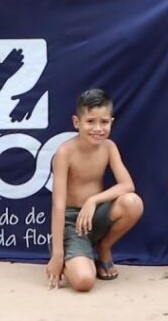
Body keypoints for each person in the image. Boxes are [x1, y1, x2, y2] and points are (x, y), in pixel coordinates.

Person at [46, 89, 144, 291]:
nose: (98, 128)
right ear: (76, 122)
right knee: (84, 282)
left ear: (111, 122)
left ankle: (103, 247)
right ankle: (76, 255)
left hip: (95, 214)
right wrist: (57, 255)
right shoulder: (65, 153)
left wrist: (93, 201)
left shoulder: (109, 147)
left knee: (132, 202)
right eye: (90, 121)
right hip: (72, 222)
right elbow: (58, 205)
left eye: (104, 122)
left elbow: (127, 185)